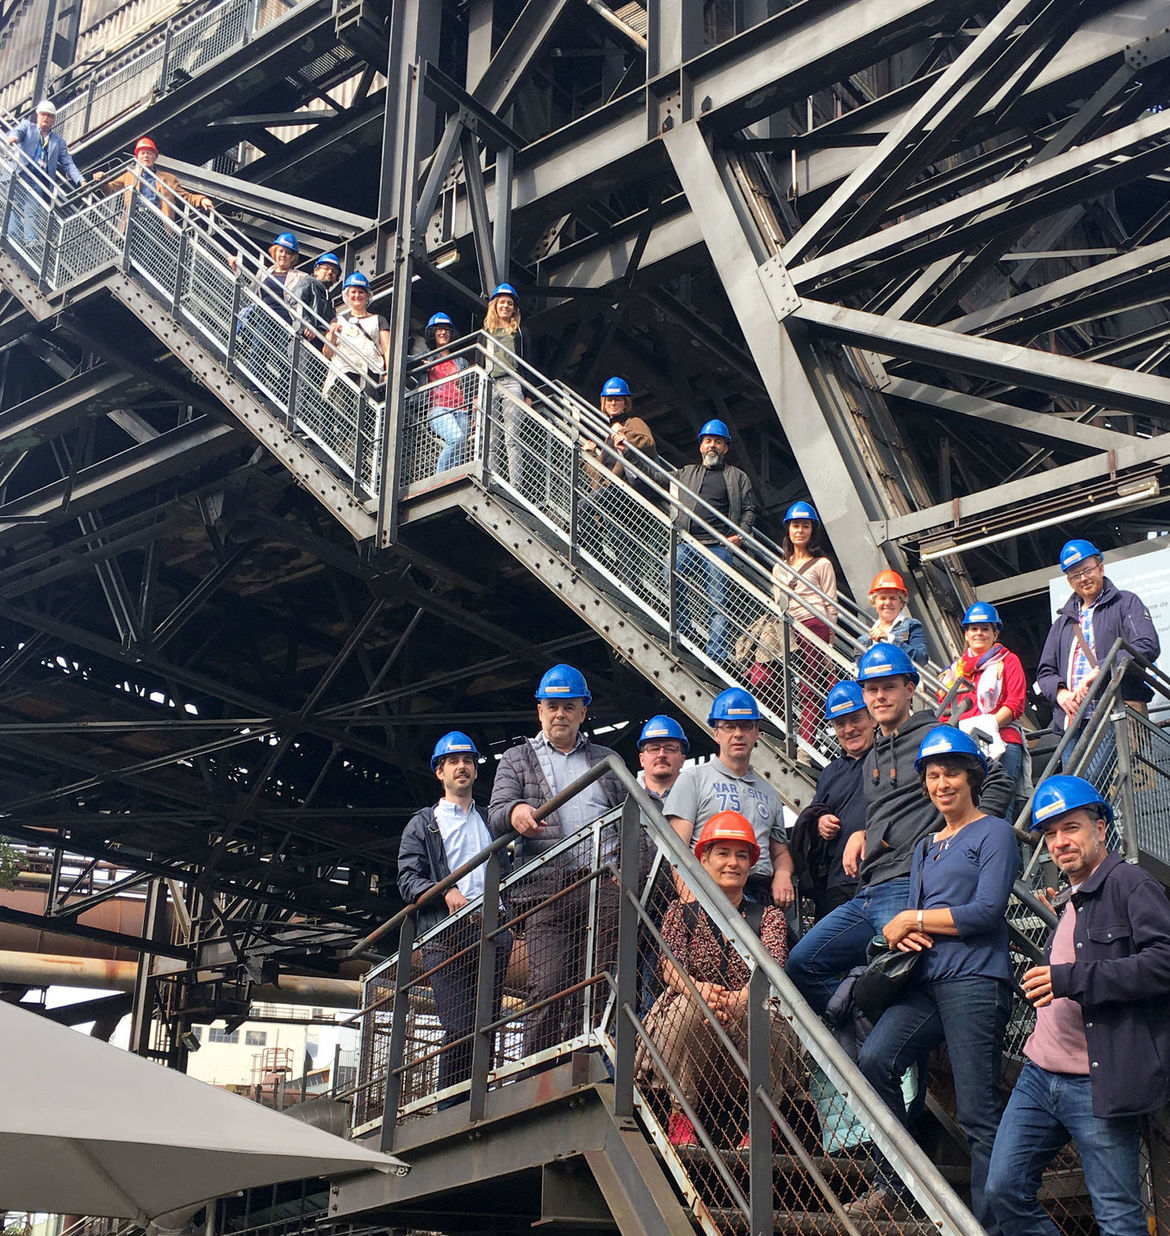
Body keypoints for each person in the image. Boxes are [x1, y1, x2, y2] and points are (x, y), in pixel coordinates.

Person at [986, 775, 1170, 1236]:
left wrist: (1070, 979)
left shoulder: (1131, 884)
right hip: (1038, 1074)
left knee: (1118, 1219)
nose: (1059, 842)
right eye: (1049, 834)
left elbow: (1164, 964)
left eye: (1071, 828)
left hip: (1097, 1083)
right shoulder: (1073, 898)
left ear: (1100, 827)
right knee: (1003, 1191)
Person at [849, 727, 1019, 1224]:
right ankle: (905, 1178)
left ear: (972, 777)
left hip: (974, 981)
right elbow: (914, 917)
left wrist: (915, 921)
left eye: (951, 774)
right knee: (876, 1059)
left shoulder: (994, 833)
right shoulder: (925, 847)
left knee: (977, 1114)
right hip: (926, 981)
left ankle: (992, 1224)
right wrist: (902, 932)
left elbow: (986, 911)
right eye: (932, 775)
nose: (941, 783)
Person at [787, 643, 1013, 1014]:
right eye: (871, 689)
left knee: (903, 990)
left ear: (910, 689)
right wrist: (864, 833)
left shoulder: (936, 737)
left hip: (907, 886)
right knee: (801, 963)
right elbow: (887, 811)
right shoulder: (870, 756)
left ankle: (875, 1030)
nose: (879, 696)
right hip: (868, 889)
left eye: (889, 687)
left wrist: (964, 839)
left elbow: (998, 781)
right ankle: (858, 1018)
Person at [639, 811, 802, 1148]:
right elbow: (670, 968)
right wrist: (699, 992)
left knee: (765, 1014)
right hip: (690, 1039)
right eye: (723, 853)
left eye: (741, 855)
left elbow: (772, 965)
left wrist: (741, 998)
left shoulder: (768, 917)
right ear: (704, 859)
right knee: (689, 1007)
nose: (733, 863)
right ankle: (681, 1117)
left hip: (744, 1028)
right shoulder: (679, 913)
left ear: (751, 864)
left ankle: (762, 1122)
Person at [487, 664, 626, 1055]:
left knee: (604, 976)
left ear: (583, 711)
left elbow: (638, 821)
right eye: (552, 706)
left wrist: (630, 875)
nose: (560, 714)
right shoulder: (516, 759)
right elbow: (496, 811)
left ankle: (596, 1054)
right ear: (540, 711)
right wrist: (516, 811)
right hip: (546, 887)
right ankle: (538, 1068)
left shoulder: (606, 759)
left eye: (569, 706)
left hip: (603, 880)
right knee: (548, 983)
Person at [396, 731, 513, 1108]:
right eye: (453, 762)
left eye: (468, 761)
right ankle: (451, 1106)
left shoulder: (488, 819)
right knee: (460, 1025)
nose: (462, 767)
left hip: (493, 929)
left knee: (486, 1027)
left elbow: (509, 868)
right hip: (446, 934)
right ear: (440, 773)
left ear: (475, 771)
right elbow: (407, 879)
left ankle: (478, 1102)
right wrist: (446, 892)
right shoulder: (424, 823)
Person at [664, 686, 794, 911]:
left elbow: (780, 851)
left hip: (758, 895)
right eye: (729, 726)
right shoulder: (693, 779)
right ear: (716, 733)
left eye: (746, 726)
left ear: (756, 734)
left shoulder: (770, 793)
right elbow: (676, 848)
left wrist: (783, 873)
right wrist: (690, 904)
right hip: (709, 892)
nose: (738, 734)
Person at [1035, 539, 1160, 770]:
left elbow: (1147, 645)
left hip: (1114, 709)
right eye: (1075, 574)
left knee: (1091, 781)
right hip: (1073, 719)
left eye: (1087, 570)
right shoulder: (1063, 623)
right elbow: (1045, 671)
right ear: (1069, 581)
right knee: (1076, 785)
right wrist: (1061, 694)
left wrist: (1100, 668)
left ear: (1100, 568)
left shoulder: (1125, 602)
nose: (1083, 578)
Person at [673, 419, 759, 667]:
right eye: (708, 441)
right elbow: (656, 474)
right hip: (689, 541)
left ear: (725, 448)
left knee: (717, 601)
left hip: (719, 546)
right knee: (671, 575)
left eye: (718, 442)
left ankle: (716, 654)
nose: (712, 445)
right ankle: (684, 630)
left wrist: (740, 535)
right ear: (701, 446)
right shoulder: (687, 472)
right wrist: (630, 454)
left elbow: (749, 509)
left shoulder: (736, 476)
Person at [789, 682, 872, 922]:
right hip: (836, 884)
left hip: (878, 879)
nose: (849, 729)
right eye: (840, 724)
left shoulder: (888, 758)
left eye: (855, 719)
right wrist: (820, 822)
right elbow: (816, 813)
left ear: (873, 719)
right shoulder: (829, 773)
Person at [937, 602, 1027, 815]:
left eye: (985, 628)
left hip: (1003, 742)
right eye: (974, 629)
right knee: (968, 811)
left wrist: (987, 725)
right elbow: (943, 714)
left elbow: (1015, 704)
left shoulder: (1009, 661)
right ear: (966, 634)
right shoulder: (953, 672)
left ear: (995, 633)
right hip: (964, 748)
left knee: (999, 811)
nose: (979, 633)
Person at [767, 501, 838, 763]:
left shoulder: (822, 564)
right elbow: (777, 603)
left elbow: (830, 603)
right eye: (796, 526)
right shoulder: (778, 567)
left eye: (805, 526)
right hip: (786, 628)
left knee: (810, 687)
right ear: (788, 530)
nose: (800, 531)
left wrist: (830, 640)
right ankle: (791, 728)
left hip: (814, 624)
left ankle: (805, 748)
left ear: (812, 530)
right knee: (763, 677)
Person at [582, 376, 661, 587]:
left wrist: (625, 437)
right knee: (622, 547)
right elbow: (600, 474)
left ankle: (594, 559)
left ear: (626, 402)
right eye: (609, 400)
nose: (613, 404)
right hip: (611, 496)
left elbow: (647, 442)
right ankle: (631, 589)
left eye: (617, 400)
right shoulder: (608, 435)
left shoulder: (633, 423)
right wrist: (590, 455)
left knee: (582, 508)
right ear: (604, 404)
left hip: (623, 492)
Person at [5, 101, 87, 249]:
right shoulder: (27, 127)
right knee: (14, 206)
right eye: (43, 114)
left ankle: (31, 241)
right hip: (21, 172)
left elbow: (68, 163)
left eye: (50, 116)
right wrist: (14, 138)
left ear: (54, 120)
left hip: (37, 179)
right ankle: (13, 238)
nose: (46, 118)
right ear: (38, 116)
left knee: (32, 209)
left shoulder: (58, 141)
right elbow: (17, 132)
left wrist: (80, 180)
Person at [232, 231, 301, 394]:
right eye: (281, 251)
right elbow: (251, 292)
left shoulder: (300, 277)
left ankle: (282, 393)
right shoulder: (264, 272)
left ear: (293, 258)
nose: (283, 255)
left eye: (288, 253)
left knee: (285, 355)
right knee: (259, 349)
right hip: (265, 315)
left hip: (286, 318)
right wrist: (237, 269)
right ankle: (255, 387)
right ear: (275, 252)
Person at [482, 282, 531, 488]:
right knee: (492, 439)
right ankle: (492, 480)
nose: (505, 306)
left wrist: (528, 393)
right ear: (495, 305)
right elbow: (479, 360)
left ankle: (515, 486)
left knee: (512, 436)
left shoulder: (519, 332)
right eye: (502, 302)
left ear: (514, 308)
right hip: (490, 383)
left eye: (509, 303)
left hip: (512, 383)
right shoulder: (485, 331)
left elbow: (527, 362)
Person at [95, 136, 212, 219]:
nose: (146, 156)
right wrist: (102, 180)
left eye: (149, 153)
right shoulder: (129, 175)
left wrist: (201, 199)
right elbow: (110, 190)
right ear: (137, 157)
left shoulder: (168, 178)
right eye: (143, 153)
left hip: (158, 220)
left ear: (155, 157)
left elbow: (186, 197)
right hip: (135, 219)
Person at [323, 271, 391, 400]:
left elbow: (387, 349)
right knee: (342, 410)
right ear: (347, 295)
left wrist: (388, 372)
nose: (357, 295)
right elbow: (327, 353)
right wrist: (332, 335)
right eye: (353, 292)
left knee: (367, 410)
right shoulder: (338, 320)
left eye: (361, 292)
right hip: (343, 371)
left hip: (371, 371)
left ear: (367, 296)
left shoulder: (379, 320)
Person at [419, 312, 473, 473]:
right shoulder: (427, 356)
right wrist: (422, 364)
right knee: (456, 438)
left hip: (461, 409)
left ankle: (453, 480)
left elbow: (471, 386)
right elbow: (404, 360)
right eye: (439, 329)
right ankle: (439, 478)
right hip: (438, 408)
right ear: (432, 333)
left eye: (447, 330)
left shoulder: (460, 361)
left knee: (460, 452)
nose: (443, 333)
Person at [864, 569, 928, 665]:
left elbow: (921, 659)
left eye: (893, 598)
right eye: (883, 598)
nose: (888, 603)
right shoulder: (864, 639)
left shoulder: (912, 625)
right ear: (874, 602)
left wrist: (890, 639)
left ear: (901, 602)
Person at [287, 252, 340, 345]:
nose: (330, 272)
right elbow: (297, 302)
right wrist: (306, 324)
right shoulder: (308, 282)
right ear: (316, 271)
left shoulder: (329, 300)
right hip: (303, 339)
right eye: (326, 268)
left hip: (319, 343)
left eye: (334, 271)